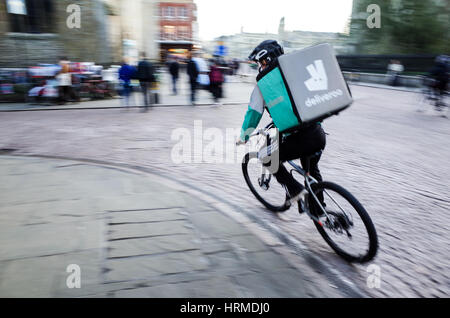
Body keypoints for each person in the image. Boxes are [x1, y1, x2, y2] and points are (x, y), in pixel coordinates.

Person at [237, 40, 327, 212]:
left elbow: (253, 114)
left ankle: (297, 192)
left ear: (265, 61)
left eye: (259, 63)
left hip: (300, 139)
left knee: (267, 157)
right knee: (311, 170)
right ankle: (320, 210)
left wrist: (244, 136)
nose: (259, 67)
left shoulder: (264, 85)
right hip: (317, 133)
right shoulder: (297, 72)